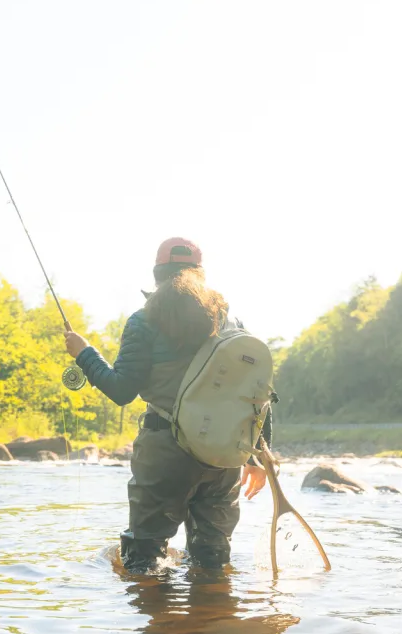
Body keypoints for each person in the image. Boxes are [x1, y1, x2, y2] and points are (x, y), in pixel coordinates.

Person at [63, 237, 270, 572]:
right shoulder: (231, 323)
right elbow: (257, 393)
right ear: (200, 274)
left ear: (157, 275)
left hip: (165, 453)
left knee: (143, 560)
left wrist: (84, 353)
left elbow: (122, 390)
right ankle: (214, 605)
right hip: (223, 458)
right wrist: (257, 455)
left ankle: (156, 607)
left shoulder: (144, 320)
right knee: (213, 561)